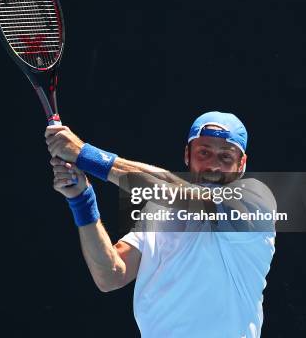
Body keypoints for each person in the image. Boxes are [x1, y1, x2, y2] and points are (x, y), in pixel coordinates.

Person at [45, 111, 276, 338]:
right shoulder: (159, 210)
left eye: (226, 156)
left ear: (242, 164)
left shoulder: (256, 200)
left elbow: (171, 188)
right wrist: (82, 199)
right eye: (204, 152)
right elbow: (111, 275)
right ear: (188, 155)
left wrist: (85, 154)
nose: (213, 166)